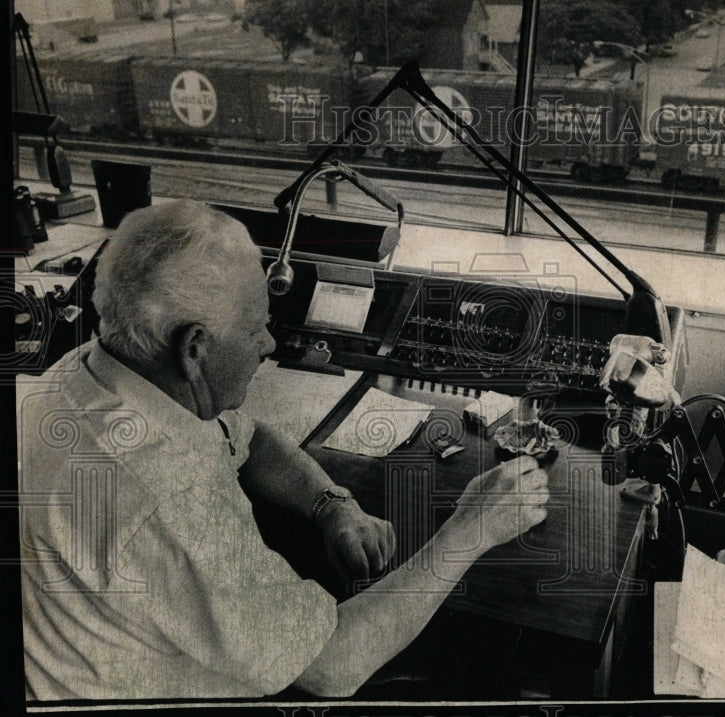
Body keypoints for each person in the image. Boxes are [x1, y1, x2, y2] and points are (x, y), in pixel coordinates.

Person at [18, 200, 550, 700]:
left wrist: (332, 505)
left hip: (87, 663)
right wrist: (471, 527)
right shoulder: (167, 492)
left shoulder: (88, 374)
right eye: (256, 329)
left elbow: (244, 435)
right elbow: (334, 666)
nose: (270, 345)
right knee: (488, 652)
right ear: (195, 349)